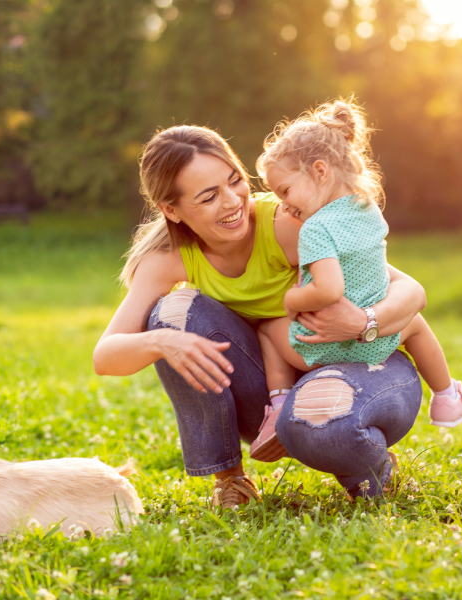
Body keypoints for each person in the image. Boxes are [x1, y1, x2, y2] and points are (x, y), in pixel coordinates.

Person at [92, 123, 429, 507]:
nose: (233, 201)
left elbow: (411, 291)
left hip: (368, 367)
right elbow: (105, 357)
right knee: (172, 316)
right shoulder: (167, 260)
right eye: (208, 197)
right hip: (278, 394)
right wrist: (162, 341)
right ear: (172, 210)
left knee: (321, 414)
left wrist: (365, 321)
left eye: (235, 181)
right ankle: (231, 482)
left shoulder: (291, 224)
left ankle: (371, 470)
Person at [248, 100, 462, 462]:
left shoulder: (317, 228)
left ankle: (278, 405)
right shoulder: (367, 208)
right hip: (379, 340)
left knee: (266, 332)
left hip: (323, 349)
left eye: (286, 191)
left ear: (320, 171)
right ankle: (447, 396)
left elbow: (329, 290)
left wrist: (293, 300)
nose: (284, 205)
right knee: (415, 325)